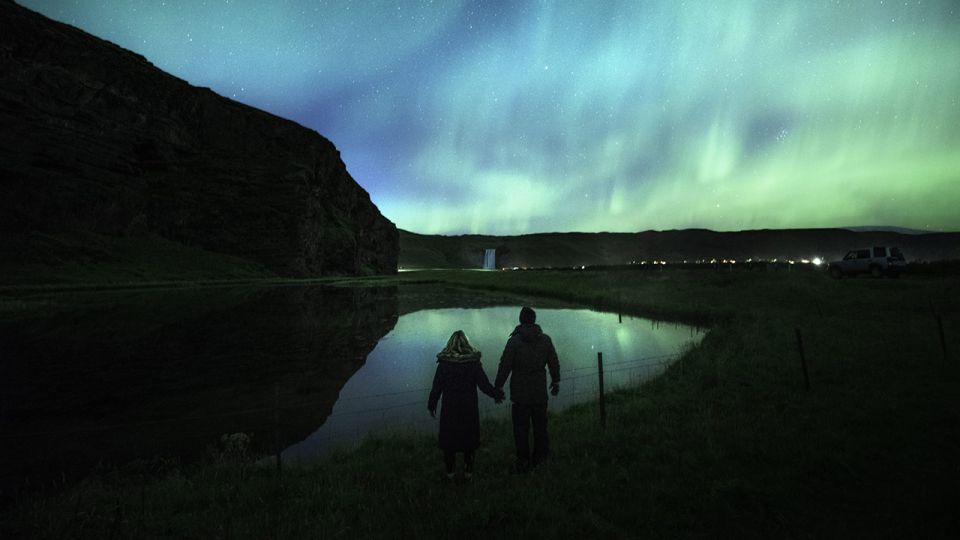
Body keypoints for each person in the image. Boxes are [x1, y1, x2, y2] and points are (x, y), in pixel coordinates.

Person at [428, 330, 504, 481]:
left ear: (450, 344)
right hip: (468, 409)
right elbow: (484, 386)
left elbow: (436, 387)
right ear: (467, 344)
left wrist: (432, 404)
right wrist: (497, 394)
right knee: (469, 442)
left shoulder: (444, 364)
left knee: (449, 443)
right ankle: (468, 474)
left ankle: (450, 475)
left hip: (450, 409)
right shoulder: (473, 363)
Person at [494, 306, 560, 472]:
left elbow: (505, 366)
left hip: (520, 395)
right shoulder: (545, 340)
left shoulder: (514, 342)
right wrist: (556, 381)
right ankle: (541, 458)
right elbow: (553, 362)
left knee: (520, 430)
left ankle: (523, 462)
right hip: (539, 393)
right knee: (540, 428)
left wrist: (498, 387)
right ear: (534, 320)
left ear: (521, 320)